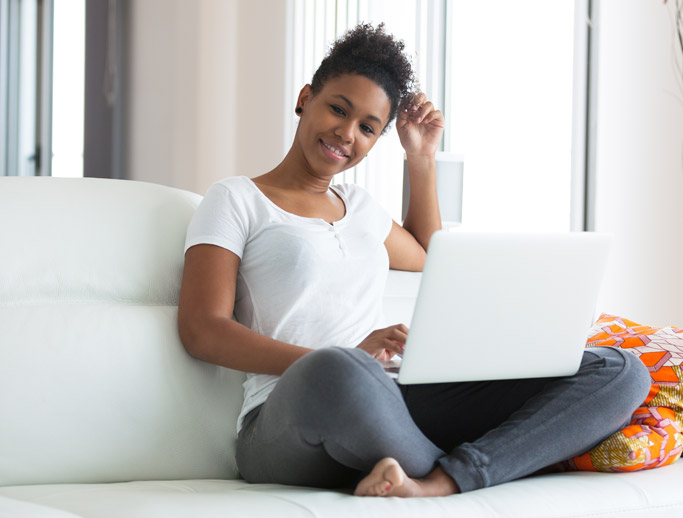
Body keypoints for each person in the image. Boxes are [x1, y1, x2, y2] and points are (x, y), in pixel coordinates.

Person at [178, 23, 651, 498]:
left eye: (367, 127)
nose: (346, 133)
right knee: (337, 372)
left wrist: (420, 158)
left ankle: (443, 481)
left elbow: (430, 259)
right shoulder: (237, 199)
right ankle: (454, 466)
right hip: (289, 414)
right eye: (338, 109)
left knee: (620, 370)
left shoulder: (361, 207)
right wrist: (342, 358)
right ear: (305, 98)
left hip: (390, 398)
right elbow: (202, 328)